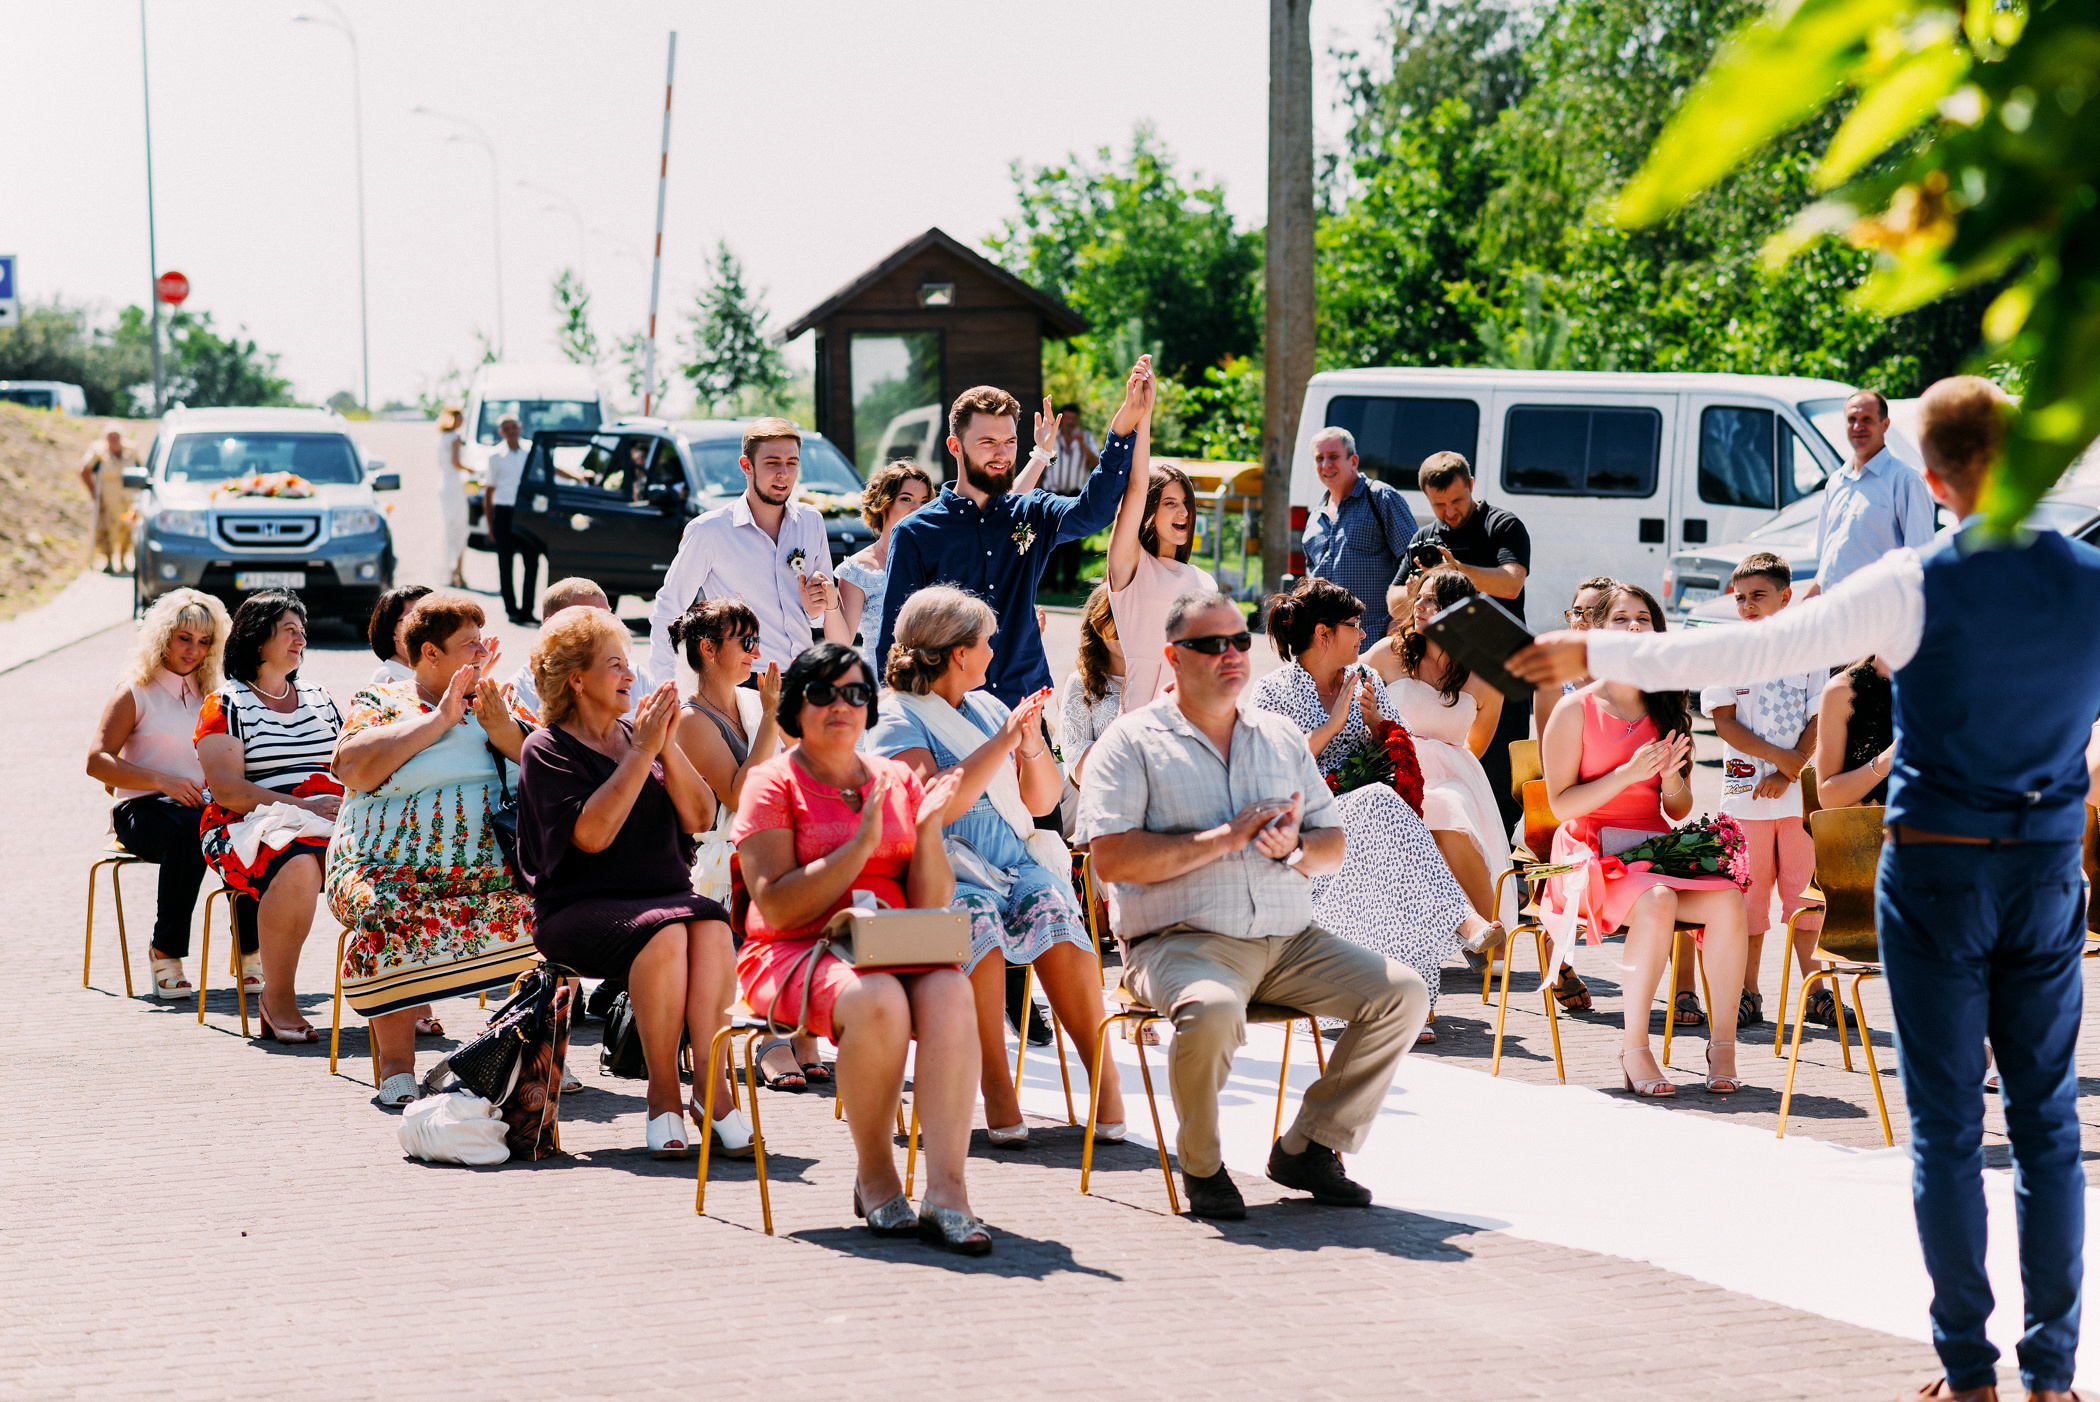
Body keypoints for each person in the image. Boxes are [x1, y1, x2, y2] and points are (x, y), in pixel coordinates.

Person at [1512, 377, 2100, 1402]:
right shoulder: (2092, 578)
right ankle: (2052, 1372)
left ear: (1932, 480)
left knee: (1950, 1127)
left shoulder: (1915, 582)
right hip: (2046, 864)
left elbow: (1753, 645)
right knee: (2047, 1126)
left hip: (1940, 868)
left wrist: (1596, 648)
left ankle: (1969, 1371)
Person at [1078, 588, 1430, 1221]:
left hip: (1291, 939)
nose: (1232, 655)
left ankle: (1310, 1145)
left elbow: (1332, 843)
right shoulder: (1132, 742)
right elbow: (1111, 859)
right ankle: (1204, 1166)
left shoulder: (1280, 737)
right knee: (1211, 1012)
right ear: (1173, 657)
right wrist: (1224, 838)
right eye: (1212, 644)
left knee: (1403, 993)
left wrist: (1295, 846)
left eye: (1240, 641)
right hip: (1182, 941)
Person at [732, 642, 990, 1252]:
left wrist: (927, 830)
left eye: (855, 693)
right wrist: (859, 845)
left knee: (954, 990)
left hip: (891, 942)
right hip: (796, 948)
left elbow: (928, 899)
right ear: (796, 707)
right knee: (878, 1001)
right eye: (823, 692)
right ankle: (876, 1175)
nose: (841, 705)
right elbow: (775, 905)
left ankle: (948, 1191)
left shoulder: (896, 777)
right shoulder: (770, 784)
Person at [869, 586, 1125, 1144]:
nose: (994, 650)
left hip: (1013, 861)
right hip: (937, 876)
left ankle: (1104, 1081)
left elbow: (1041, 804)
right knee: (975, 918)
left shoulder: (988, 706)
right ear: (958, 653)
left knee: (1056, 905)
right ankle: (996, 1088)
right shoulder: (896, 719)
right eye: (986, 642)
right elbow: (933, 804)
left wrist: (1029, 745)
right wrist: (1001, 743)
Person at [516, 606, 748, 1159]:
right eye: (615, 664)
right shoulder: (545, 749)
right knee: (667, 934)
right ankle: (662, 1095)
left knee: (712, 927)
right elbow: (592, 835)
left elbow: (698, 816)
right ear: (576, 678)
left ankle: (711, 1089)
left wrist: (663, 743)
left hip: (664, 898)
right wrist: (643, 751)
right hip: (579, 907)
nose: (629, 676)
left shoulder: (638, 735)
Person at [1533, 580, 1751, 1097]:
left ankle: (1723, 1045)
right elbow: (1560, 804)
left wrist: (1672, 778)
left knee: (1727, 899)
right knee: (1657, 902)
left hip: (1652, 850)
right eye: (1621, 619)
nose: (1634, 627)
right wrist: (1626, 775)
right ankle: (1635, 1049)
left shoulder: (1667, 706)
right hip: (1587, 855)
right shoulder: (1575, 710)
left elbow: (1675, 810)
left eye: (1643, 620)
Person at [1249, 577, 1493, 1038]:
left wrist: (1375, 722)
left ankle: (1403, 1005)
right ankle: (1463, 922)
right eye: (1354, 625)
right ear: (1324, 634)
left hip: (1368, 820)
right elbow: (1272, 772)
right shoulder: (1272, 691)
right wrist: (1334, 725)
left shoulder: (1369, 680)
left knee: (1386, 826)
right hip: (1302, 826)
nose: (1364, 635)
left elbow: (1403, 752)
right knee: (1381, 804)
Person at [327, 594, 540, 1107]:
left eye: (482, 640)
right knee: (386, 911)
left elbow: (547, 762)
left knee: (554, 910)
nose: (483, 651)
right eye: (469, 644)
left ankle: (529, 1057)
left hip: (487, 865)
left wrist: (500, 729)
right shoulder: (381, 701)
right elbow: (348, 767)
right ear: (430, 653)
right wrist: (441, 719)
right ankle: (397, 1067)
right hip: (385, 867)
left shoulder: (498, 700)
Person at [877, 364, 1146, 708]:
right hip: (951, 712)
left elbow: (1093, 512)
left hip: (1025, 704)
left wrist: (1122, 429)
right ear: (955, 446)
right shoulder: (915, 533)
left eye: (1010, 441)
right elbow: (894, 640)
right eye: (988, 442)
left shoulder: (1033, 511)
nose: (1002, 454)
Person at [666, 596, 815, 1088]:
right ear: (708, 649)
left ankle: (802, 1029)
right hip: (716, 861)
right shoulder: (691, 719)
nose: (755, 651)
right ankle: (770, 1039)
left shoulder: (747, 702)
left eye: (756, 640)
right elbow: (739, 793)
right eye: (745, 642)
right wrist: (772, 716)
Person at [193, 590, 345, 1043]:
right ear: (258, 640)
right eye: (289, 631)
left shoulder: (319, 697)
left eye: (303, 631)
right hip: (243, 824)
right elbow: (227, 791)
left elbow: (347, 764)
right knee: (298, 863)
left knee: (392, 855)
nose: (301, 640)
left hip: (326, 815)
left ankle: (402, 999)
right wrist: (305, 807)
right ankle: (276, 999)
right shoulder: (226, 704)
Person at [85, 588, 233, 1000]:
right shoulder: (133, 692)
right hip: (140, 811)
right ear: (162, 636)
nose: (193, 650)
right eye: (184, 638)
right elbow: (97, 761)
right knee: (190, 831)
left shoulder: (214, 697)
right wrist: (163, 781)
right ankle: (165, 950)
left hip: (200, 808)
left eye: (204, 642)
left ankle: (252, 951)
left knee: (255, 832)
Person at [1698, 552, 1821, 1030]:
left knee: (1804, 895)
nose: (1747, 605)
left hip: (1797, 802)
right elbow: (1725, 723)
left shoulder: (1808, 649)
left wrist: (1790, 772)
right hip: (1744, 795)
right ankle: (1748, 990)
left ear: (1786, 597)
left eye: (1759, 596)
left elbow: (1818, 717)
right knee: (1749, 897)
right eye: (1741, 597)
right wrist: (1781, 761)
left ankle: (1817, 991)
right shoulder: (1726, 650)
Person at [1361, 568, 1519, 934]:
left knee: (1450, 805)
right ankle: (1453, 928)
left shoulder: (1485, 677)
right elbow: (1345, 687)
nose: (1419, 606)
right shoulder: (1390, 654)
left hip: (1454, 773)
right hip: (1393, 768)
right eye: (1419, 597)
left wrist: (1442, 765)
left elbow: (1476, 744)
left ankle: (1491, 933)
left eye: (1432, 599)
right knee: (1427, 808)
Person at [1390, 451, 1533, 830]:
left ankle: (1499, 853)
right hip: (1446, 669)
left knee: (1502, 772)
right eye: (1438, 505)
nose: (1449, 512)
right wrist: (1417, 588)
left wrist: (1454, 571)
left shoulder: (1501, 525)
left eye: (1456, 501)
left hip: (1502, 667)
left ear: (1471, 485)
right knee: (1450, 763)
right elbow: (1393, 601)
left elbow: (1511, 581)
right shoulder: (1425, 538)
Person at [645, 418, 842, 689]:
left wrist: (818, 605)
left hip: (802, 679)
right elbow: (668, 610)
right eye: (772, 462)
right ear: (746, 466)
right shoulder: (709, 530)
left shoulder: (811, 521)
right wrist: (665, 687)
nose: (783, 473)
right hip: (740, 684)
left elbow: (817, 616)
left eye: (792, 463)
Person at [1106, 369, 1215, 712]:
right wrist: (1145, 413)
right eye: (1170, 503)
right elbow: (1137, 486)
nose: (1183, 512)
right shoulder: (1131, 566)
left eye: (1186, 503)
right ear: (1148, 512)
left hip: (1199, 710)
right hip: (1145, 715)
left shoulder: (1204, 579)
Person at [1799, 389, 1938, 599]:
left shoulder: (1905, 480)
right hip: (1835, 612)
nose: (1858, 427)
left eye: (1867, 419)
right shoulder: (1836, 482)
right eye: (1851, 419)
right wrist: (1805, 602)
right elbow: (1828, 564)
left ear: (1885, 424)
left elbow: (1919, 561)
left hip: (1878, 614)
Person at [1298, 426, 1418, 650]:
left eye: (1333, 457)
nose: (1326, 465)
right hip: (1326, 646)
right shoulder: (1316, 515)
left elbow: (1417, 563)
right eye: (1319, 458)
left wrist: (1403, 617)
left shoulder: (1381, 498)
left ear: (1353, 461)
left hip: (1374, 640)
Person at [834, 460, 935, 675]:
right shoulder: (858, 568)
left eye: (924, 501)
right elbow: (841, 642)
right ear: (884, 505)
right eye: (906, 499)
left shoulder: (936, 558)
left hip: (933, 676)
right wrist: (827, 604)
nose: (917, 509)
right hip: (882, 680)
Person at [501, 577, 625, 721]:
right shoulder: (520, 691)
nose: (604, 630)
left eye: (608, 619)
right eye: (589, 621)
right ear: (552, 627)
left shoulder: (635, 677)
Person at [1057, 584, 1124, 788]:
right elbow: (1080, 769)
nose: (1126, 625)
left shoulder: (1164, 675)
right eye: (1116, 616)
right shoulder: (1081, 683)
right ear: (1097, 624)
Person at [1533, 576, 1617, 737]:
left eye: (1590, 613)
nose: (1579, 621)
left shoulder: (1625, 674)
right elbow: (1547, 755)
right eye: (1576, 612)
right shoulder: (1553, 679)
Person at [479, 414, 539, 625]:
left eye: (514, 427)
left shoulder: (532, 450)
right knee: (505, 563)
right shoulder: (495, 456)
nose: (512, 431)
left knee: (532, 561)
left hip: (526, 511)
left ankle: (528, 609)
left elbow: (547, 471)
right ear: (501, 432)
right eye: (507, 428)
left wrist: (575, 477)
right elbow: (489, 492)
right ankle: (511, 609)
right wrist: (490, 524)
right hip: (504, 512)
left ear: (520, 428)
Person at [1040, 401, 1100, 594]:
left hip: (1075, 495)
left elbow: (1096, 464)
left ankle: (1070, 583)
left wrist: (1081, 444)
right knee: (1050, 540)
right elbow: (1041, 464)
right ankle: (1048, 584)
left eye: (1074, 419)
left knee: (1072, 542)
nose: (1071, 422)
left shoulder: (1087, 438)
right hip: (1052, 493)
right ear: (1061, 418)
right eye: (1067, 418)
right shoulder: (1052, 438)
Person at [79, 424, 140, 575]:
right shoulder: (99, 452)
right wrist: (93, 491)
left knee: (128, 528)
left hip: (128, 497)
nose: (114, 440)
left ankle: (124, 559)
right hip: (109, 498)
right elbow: (84, 470)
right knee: (108, 528)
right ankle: (108, 560)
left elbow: (143, 467)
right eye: (110, 437)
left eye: (116, 437)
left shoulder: (131, 451)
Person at [365, 584, 433, 686]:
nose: (427, 624)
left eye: (433, 617)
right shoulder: (389, 678)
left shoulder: (438, 665)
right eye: (415, 619)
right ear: (392, 630)